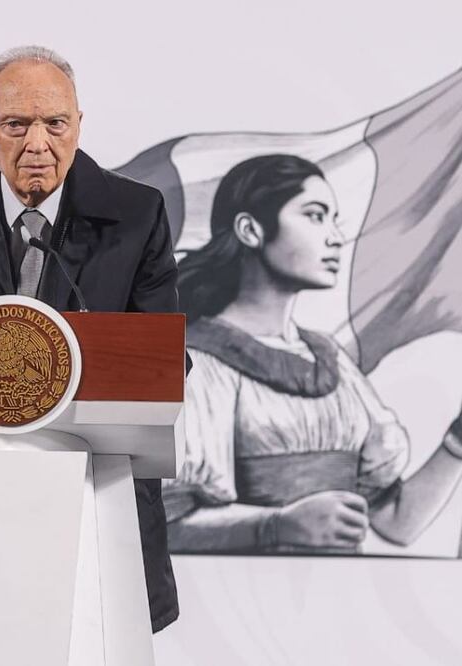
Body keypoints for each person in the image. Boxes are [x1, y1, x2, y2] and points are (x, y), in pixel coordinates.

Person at [0, 46, 181, 632]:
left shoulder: (135, 214)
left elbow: (164, 362)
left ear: (79, 125)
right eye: (16, 125)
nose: (38, 144)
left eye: (56, 123)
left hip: (97, 483)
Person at [165, 153, 462, 553]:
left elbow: (396, 523)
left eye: (333, 219)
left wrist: (457, 439)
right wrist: (276, 525)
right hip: (238, 588)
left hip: (338, 589)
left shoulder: (331, 359)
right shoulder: (197, 361)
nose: (336, 237)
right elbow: (165, 524)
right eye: (315, 216)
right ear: (250, 230)